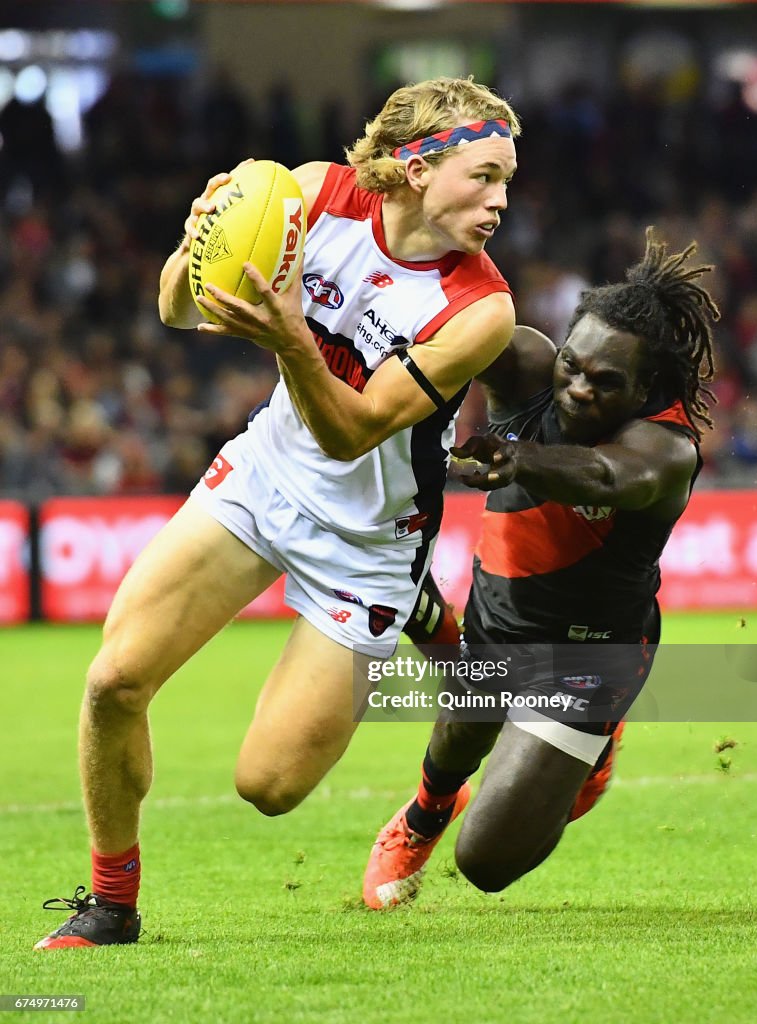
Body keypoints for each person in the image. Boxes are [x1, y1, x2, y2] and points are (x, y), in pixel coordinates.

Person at [35, 77, 521, 949]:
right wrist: (200, 245)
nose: (498, 203)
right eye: (483, 177)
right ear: (416, 167)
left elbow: (356, 431)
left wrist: (292, 335)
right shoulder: (307, 192)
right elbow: (174, 310)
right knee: (113, 681)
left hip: (369, 542)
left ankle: (421, 666)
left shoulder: (479, 309)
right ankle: (111, 905)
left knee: (268, 786)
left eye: (505, 183)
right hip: (264, 478)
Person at [364, 229, 719, 908]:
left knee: (486, 864)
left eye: (605, 383)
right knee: (464, 723)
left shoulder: (665, 449)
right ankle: (420, 818)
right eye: (573, 366)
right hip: (499, 616)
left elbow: (604, 475)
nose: (577, 389)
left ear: (646, 388)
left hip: (588, 657)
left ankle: (591, 745)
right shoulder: (526, 365)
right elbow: (439, 320)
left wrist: (516, 460)